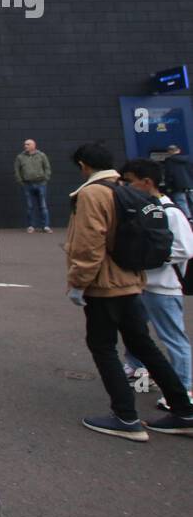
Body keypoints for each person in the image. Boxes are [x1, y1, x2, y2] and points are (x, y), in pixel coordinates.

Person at [65, 142, 193, 439]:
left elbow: (89, 243)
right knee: (143, 344)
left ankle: (125, 416)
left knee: (103, 347)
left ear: (84, 165)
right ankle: (184, 410)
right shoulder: (127, 190)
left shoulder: (92, 193)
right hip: (133, 280)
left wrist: (78, 282)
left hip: (105, 285)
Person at [118, 159, 193, 405]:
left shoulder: (171, 213)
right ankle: (137, 367)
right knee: (135, 331)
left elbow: (185, 249)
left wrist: (149, 256)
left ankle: (185, 390)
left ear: (146, 182)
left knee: (172, 337)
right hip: (141, 284)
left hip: (164, 287)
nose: (125, 187)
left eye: (129, 182)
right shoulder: (142, 208)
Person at [14, 138, 52, 233]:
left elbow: (47, 168)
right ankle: (31, 226)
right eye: (25, 144)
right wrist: (21, 182)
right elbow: (17, 170)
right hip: (27, 185)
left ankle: (45, 226)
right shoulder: (20, 157)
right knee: (29, 206)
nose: (25, 146)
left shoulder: (41, 155)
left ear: (33, 145)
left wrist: (46, 179)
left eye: (28, 144)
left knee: (43, 206)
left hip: (41, 184)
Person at [164, 145, 193, 220]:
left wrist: (168, 186)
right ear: (179, 150)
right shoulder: (188, 159)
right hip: (190, 184)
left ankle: (188, 218)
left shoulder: (169, 161)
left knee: (181, 202)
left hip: (177, 185)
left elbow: (169, 174)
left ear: (169, 151)